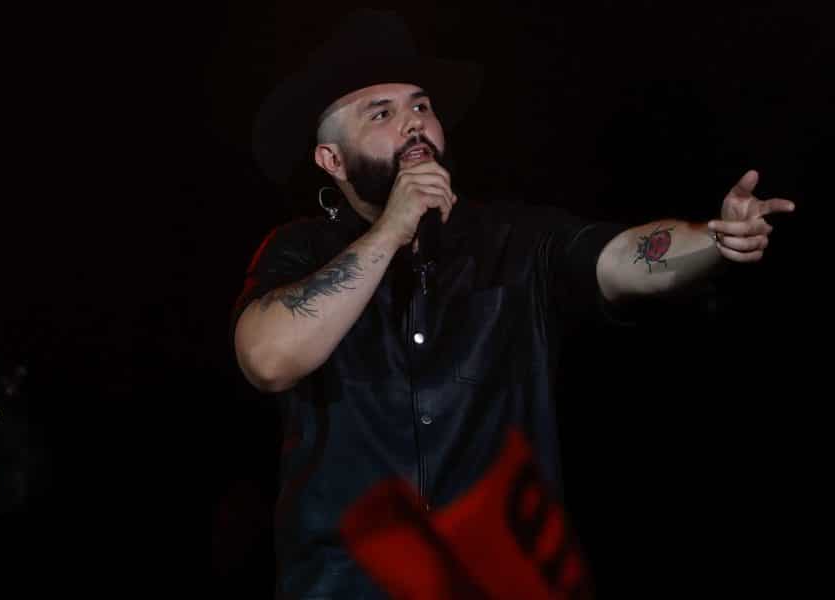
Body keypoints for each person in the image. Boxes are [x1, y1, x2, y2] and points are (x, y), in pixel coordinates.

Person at [232, 9, 795, 599]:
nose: (414, 125)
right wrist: (391, 231)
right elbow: (268, 358)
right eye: (382, 113)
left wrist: (713, 237)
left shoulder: (511, 238)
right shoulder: (299, 250)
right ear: (332, 161)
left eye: (422, 107)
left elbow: (623, 256)